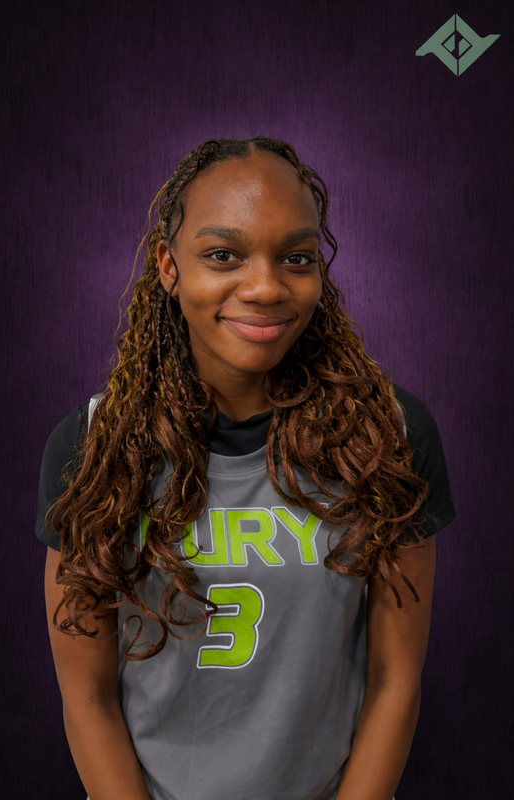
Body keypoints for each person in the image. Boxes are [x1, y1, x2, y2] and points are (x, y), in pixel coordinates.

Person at [37, 136, 456, 800]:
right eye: (223, 255)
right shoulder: (95, 448)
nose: (265, 287)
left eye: (296, 258)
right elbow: (87, 695)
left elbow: (394, 680)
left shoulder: (387, 437)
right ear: (168, 267)